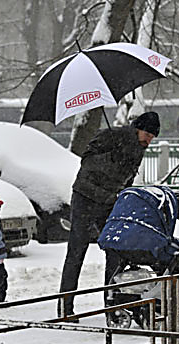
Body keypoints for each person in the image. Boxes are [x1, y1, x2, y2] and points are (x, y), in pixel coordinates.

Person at [58, 112, 161, 319]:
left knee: (116, 251)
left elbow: (127, 178)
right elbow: (87, 161)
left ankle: (112, 305)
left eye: (152, 137)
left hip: (109, 202)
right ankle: (65, 307)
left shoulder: (138, 149)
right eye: (147, 134)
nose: (149, 139)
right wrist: (112, 161)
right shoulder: (113, 135)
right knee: (77, 251)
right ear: (137, 128)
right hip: (85, 198)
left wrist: (123, 196)